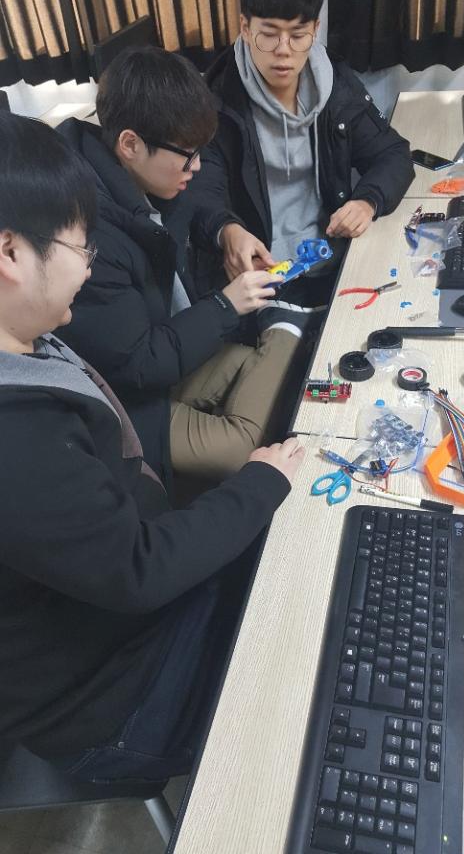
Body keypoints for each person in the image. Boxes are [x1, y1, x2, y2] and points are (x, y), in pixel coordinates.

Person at [0, 110, 304, 781]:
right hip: (108, 704)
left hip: (118, 610)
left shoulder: (28, 341)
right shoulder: (15, 438)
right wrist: (260, 483)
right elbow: (139, 570)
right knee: (297, 620)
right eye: (82, 249)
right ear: (11, 253)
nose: (88, 269)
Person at [57, 46, 313, 495]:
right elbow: (138, 365)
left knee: (283, 367)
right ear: (130, 145)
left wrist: (227, 230)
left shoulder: (136, 170)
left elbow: (193, 203)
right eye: (187, 157)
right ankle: (284, 325)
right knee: (244, 447)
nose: (196, 168)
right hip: (122, 398)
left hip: (161, 351)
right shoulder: (88, 235)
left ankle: (288, 328)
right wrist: (225, 305)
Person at [186, 0, 414, 306]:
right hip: (262, 271)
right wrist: (226, 231)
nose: (283, 51)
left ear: (315, 30)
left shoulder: (334, 83)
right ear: (245, 27)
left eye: (297, 35)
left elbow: (393, 154)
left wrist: (367, 201)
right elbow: (200, 191)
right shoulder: (217, 101)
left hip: (333, 255)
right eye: (268, 35)